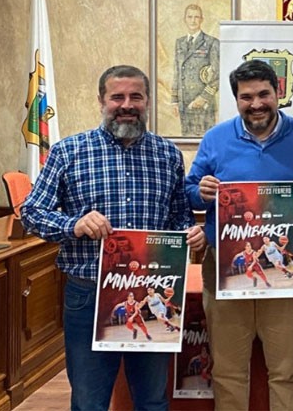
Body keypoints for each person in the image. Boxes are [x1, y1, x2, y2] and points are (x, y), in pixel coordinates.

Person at [21, 64, 206, 411]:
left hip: (153, 293)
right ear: (101, 101)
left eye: (135, 96)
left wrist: (189, 233)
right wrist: (73, 224)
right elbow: (30, 213)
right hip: (88, 294)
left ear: (148, 101)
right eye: (116, 96)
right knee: (90, 401)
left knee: (152, 399)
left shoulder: (168, 155)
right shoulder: (68, 151)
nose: (126, 104)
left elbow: (178, 216)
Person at [185, 59, 293, 410]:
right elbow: (188, 190)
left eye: (264, 94)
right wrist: (200, 191)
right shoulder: (216, 138)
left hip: (286, 266)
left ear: (278, 92)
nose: (256, 103)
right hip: (225, 266)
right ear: (236, 99)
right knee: (229, 369)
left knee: (286, 368)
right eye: (246, 97)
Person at [172, 3, 220, 136]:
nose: (193, 20)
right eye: (190, 17)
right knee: (187, 138)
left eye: (196, 17)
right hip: (184, 102)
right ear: (185, 19)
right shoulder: (179, 43)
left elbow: (218, 75)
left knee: (205, 141)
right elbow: (177, 71)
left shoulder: (212, 43)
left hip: (203, 104)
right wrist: (174, 100)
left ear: (201, 20)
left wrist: (203, 98)